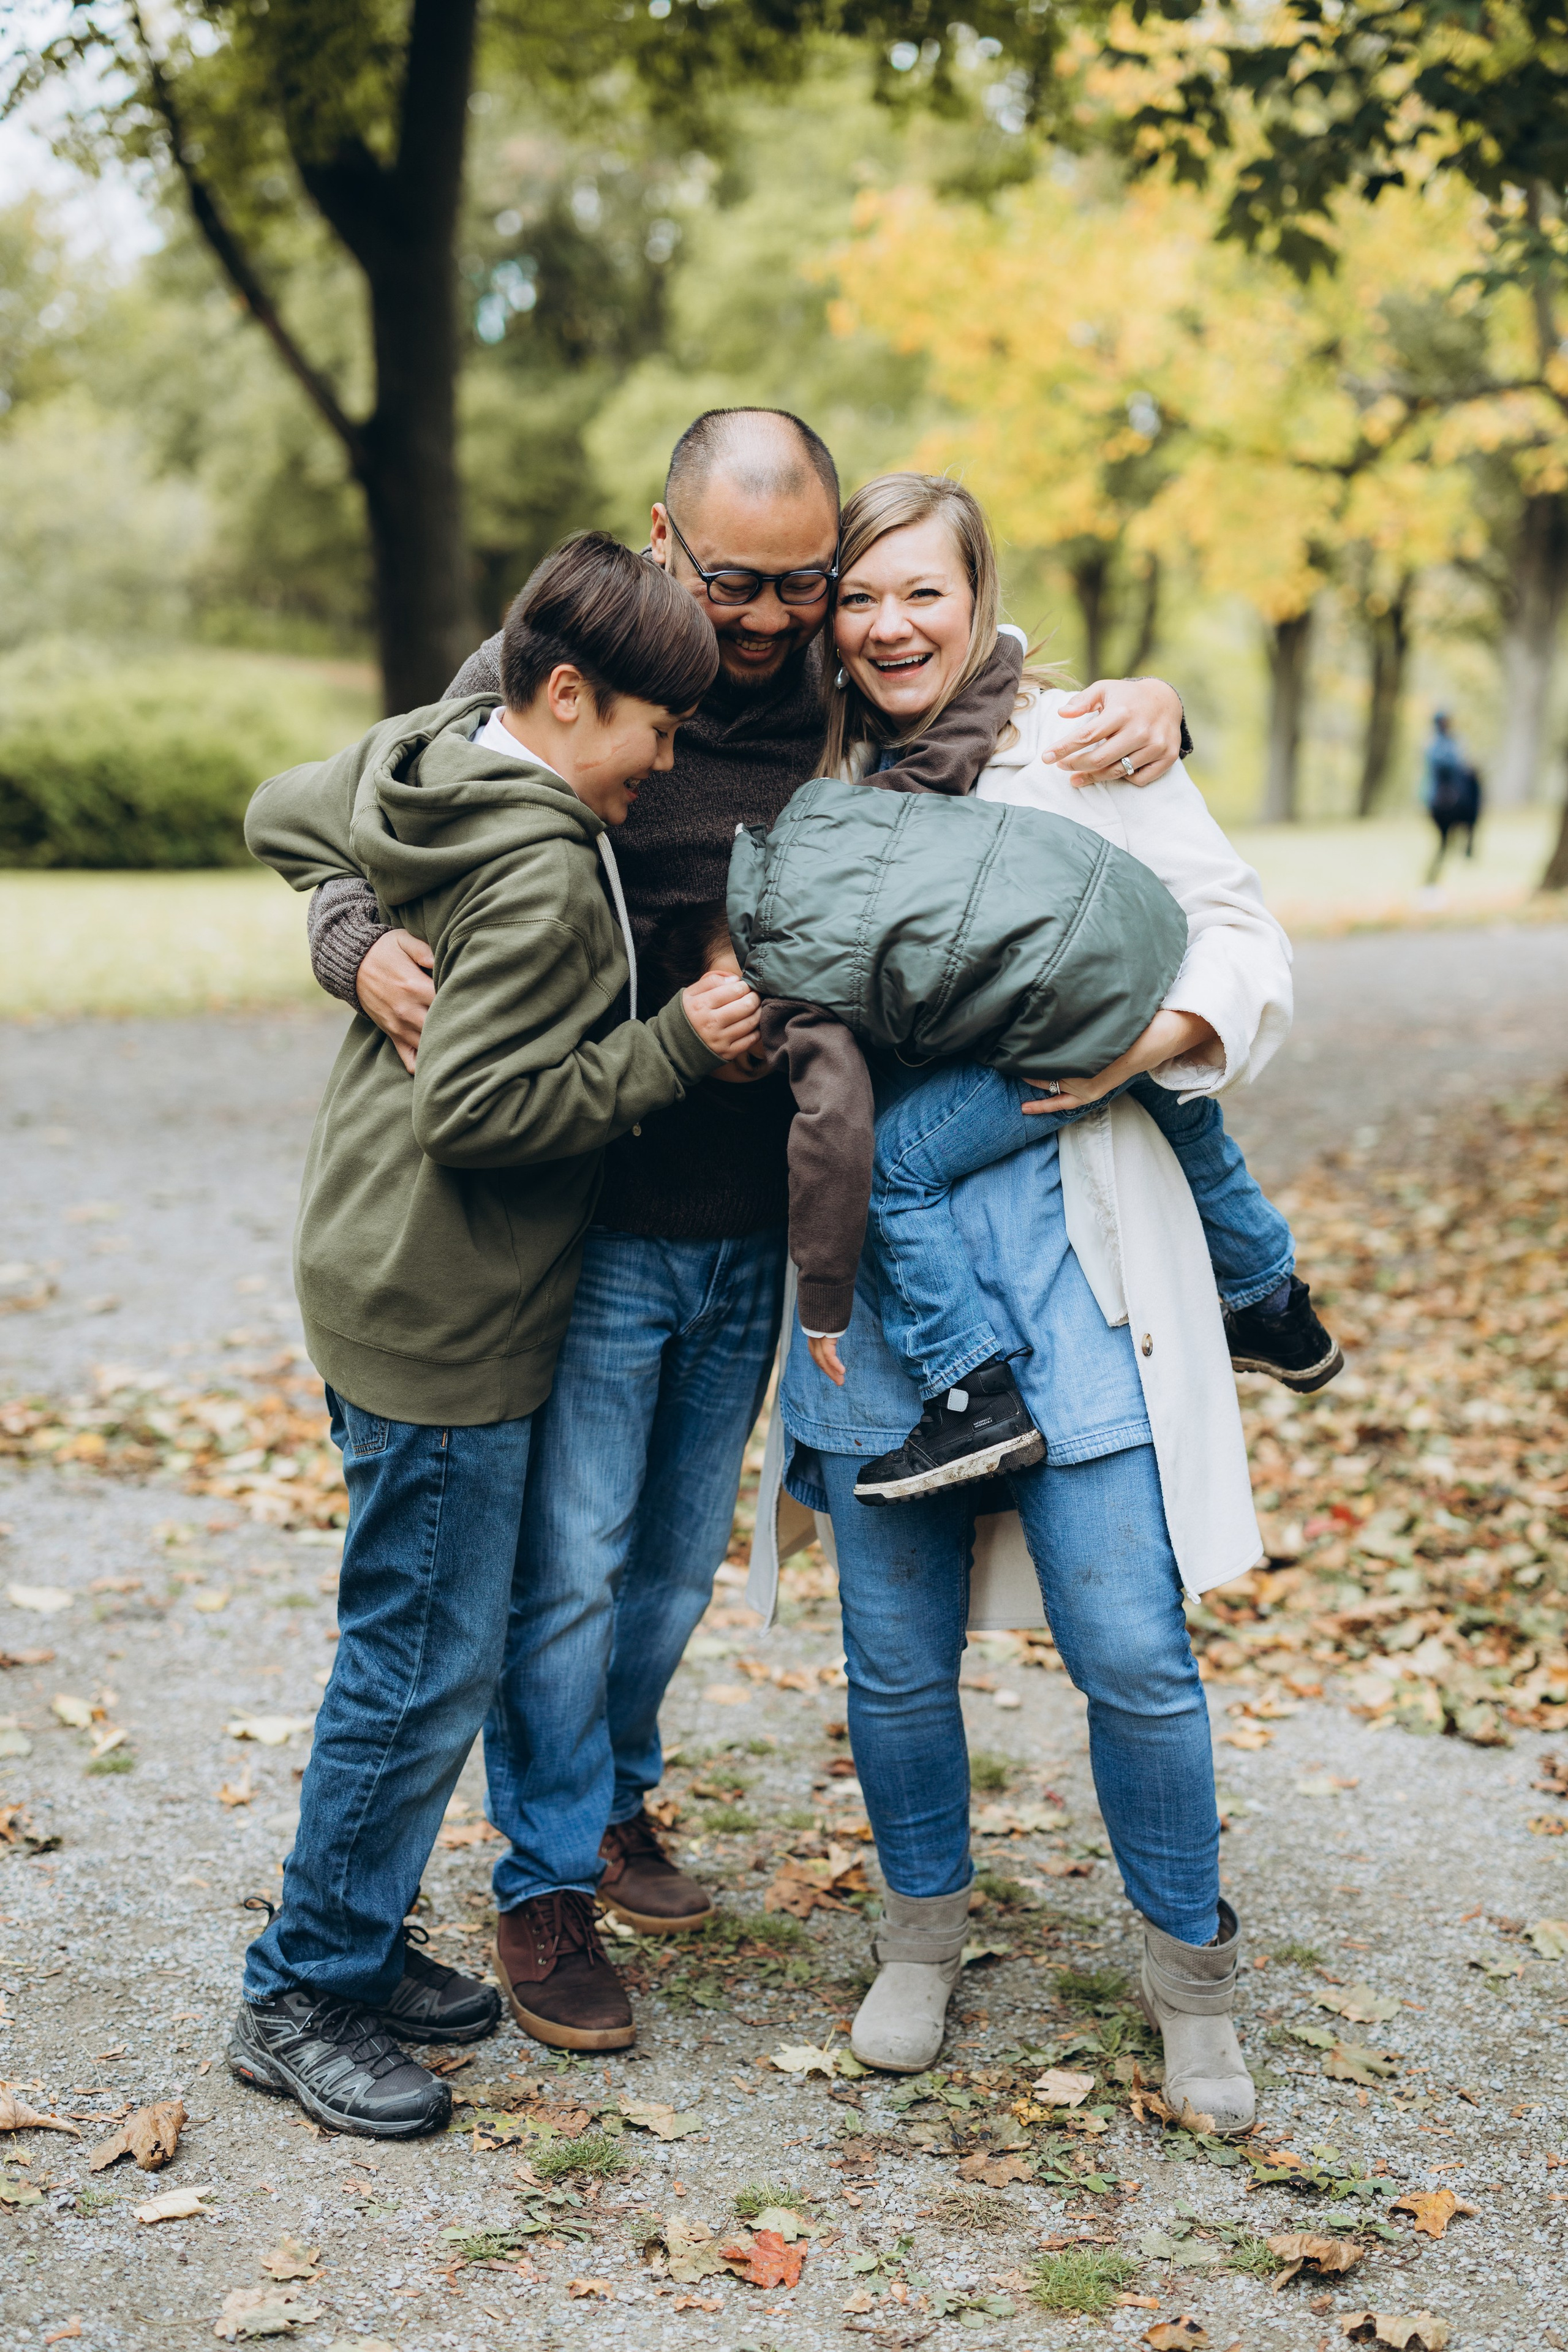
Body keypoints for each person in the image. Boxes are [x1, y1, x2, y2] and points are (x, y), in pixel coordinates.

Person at [297, 407, 1194, 2049]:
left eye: (807, 583)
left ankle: (615, 1796)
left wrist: (1156, 706)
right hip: (594, 1207)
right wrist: (351, 936)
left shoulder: (844, 695)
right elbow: (381, 796)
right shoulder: (584, 657)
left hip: (760, 1221)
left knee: (664, 1572)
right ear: (661, 540)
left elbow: (985, 691)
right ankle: (542, 1883)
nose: (773, 620)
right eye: (738, 583)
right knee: (565, 1568)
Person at [748, 472, 1297, 2133]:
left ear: (979, 594)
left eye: (922, 591)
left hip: (1076, 1264)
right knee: (894, 1656)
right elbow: (549, 675)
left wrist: (1150, 1045)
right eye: (859, 595)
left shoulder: (1085, 749)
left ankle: (1190, 1981)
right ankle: (921, 1939)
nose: (890, 625)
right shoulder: (802, 766)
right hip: (875, 1280)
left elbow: (1242, 937)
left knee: (1132, 1646)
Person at [232, 534, 759, 2136]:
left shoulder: (435, 762)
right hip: (447, 1307)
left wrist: (365, 927)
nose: (668, 766)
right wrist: (668, 1050)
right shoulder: (538, 865)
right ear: (571, 692)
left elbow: (280, 806)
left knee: (419, 1639)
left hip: (375, 1260)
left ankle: (354, 1936)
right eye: (655, 731)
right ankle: (303, 1984)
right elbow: (475, 1113)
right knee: (422, 1659)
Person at [1422, 711, 1482, 882]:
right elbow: (1445, 765)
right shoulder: (1434, 744)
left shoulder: (1454, 741)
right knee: (1444, 839)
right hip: (1440, 797)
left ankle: (1469, 841)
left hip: (1454, 793)